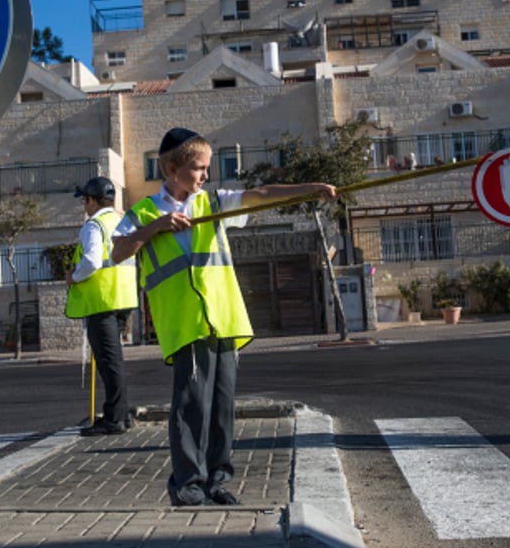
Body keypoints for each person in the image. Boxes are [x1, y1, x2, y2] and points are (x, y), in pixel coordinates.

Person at [112, 127, 337, 506]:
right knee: (189, 407)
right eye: (198, 168)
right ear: (171, 168)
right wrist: (156, 228)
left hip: (224, 322)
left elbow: (261, 195)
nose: (204, 176)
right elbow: (118, 252)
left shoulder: (213, 202)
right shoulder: (144, 212)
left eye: (206, 168)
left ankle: (216, 481)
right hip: (186, 325)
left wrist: (310, 187)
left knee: (221, 408)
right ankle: (187, 484)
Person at [66, 176, 139, 436]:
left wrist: (73, 276)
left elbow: (92, 261)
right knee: (114, 360)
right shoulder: (122, 223)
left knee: (110, 363)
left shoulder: (94, 225)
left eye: (85, 200)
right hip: (123, 298)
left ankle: (115, 419)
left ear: (93, 200)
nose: (84, 205)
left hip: (101, 300)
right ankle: (123, 413)